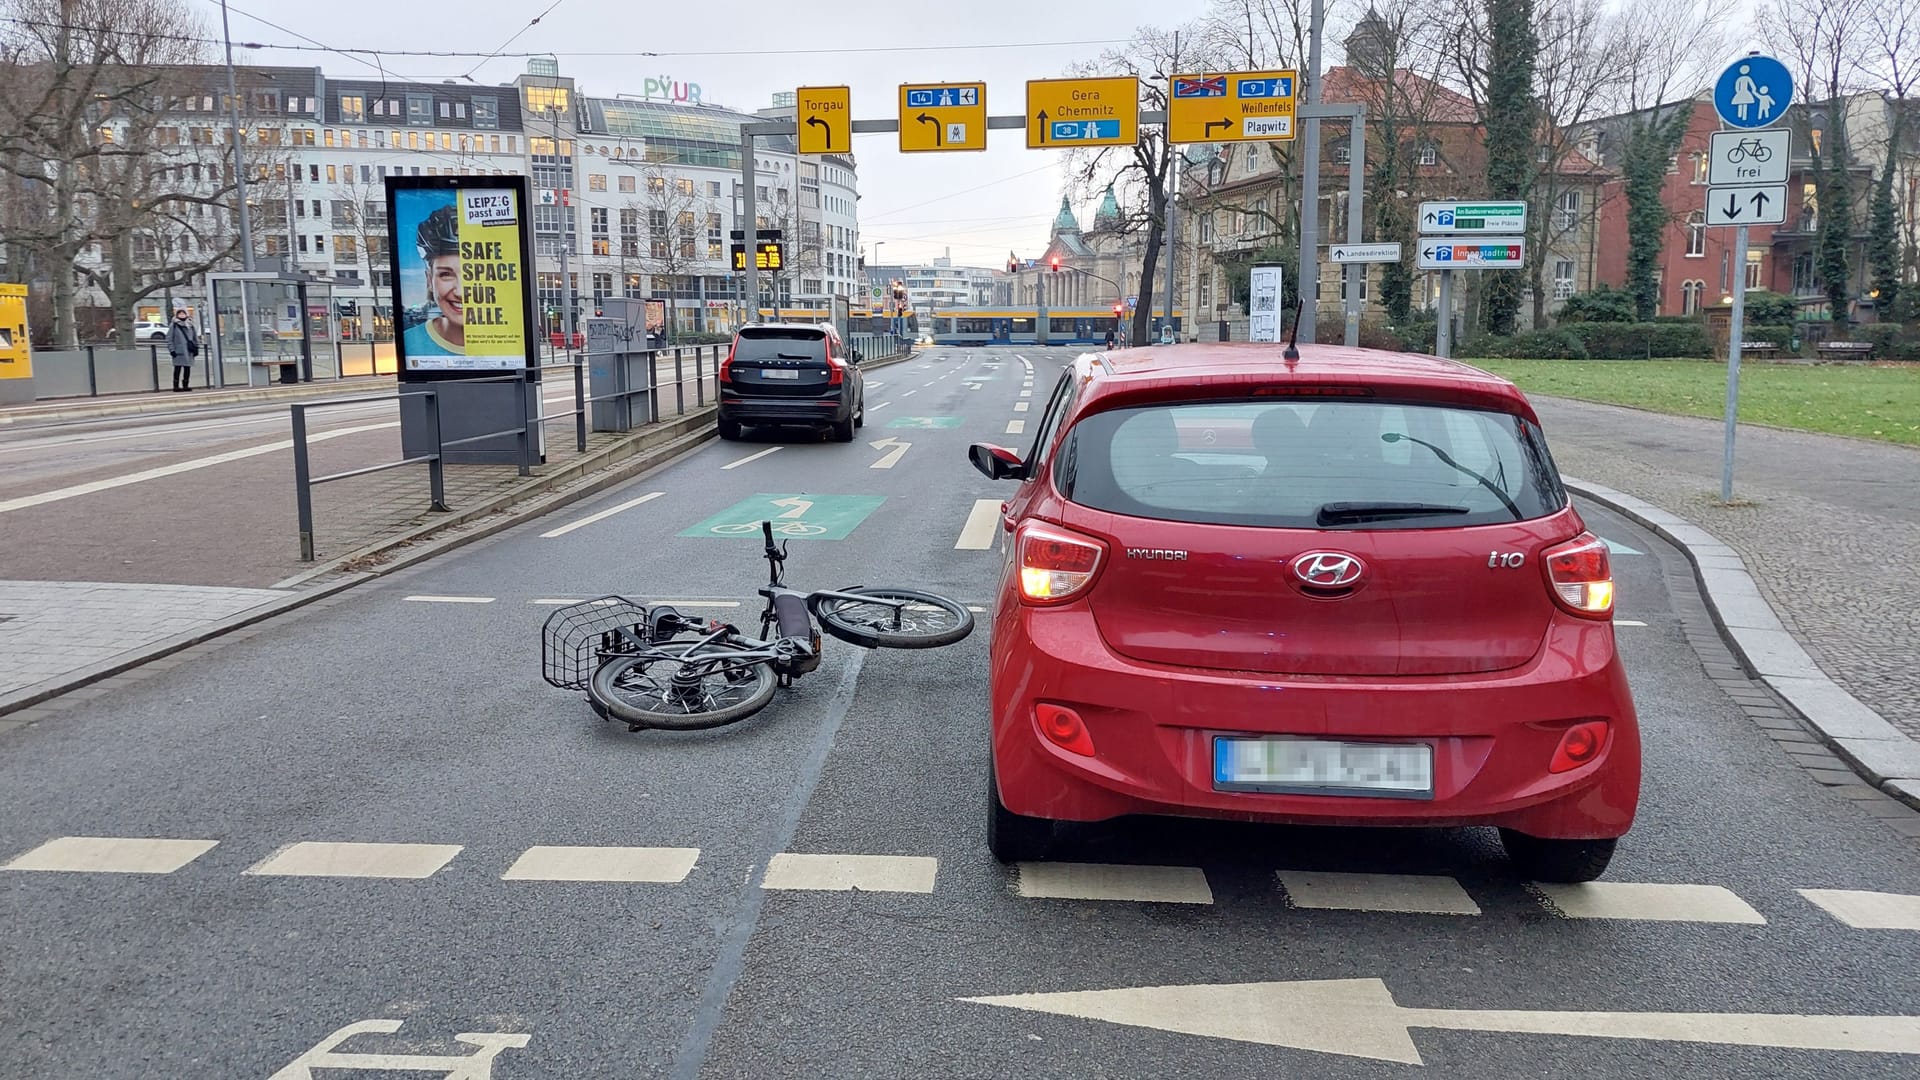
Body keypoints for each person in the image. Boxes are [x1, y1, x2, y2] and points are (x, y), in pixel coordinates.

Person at [402, 204, 464, 357]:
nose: (461, 292)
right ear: (429, 280)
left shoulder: (512, 342)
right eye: (446, 274)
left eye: (472, 274)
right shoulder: (410, 344)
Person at [165, 308, 198, 391]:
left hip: (189, 350)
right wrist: (172, 350)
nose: (182, 315)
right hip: (178, 350)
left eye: (183, 313)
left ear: (186, 314)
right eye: (180, 314)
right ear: (177, 315)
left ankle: (185, 385)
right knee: (177, 368)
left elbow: (195, 338)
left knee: (187, 368)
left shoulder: (190, 324)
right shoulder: (174, 325)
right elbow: (169, 338)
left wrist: (196, 348)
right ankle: (176, 386)